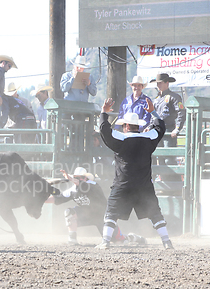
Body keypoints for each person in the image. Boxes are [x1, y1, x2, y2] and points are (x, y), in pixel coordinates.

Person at [96, 98, 174, 250]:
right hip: (144, 185)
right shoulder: (149, 138)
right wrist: (152, 112)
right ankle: (166, 242)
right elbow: (161, 127)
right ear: (138, 126)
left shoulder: (120, 138)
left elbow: (104, 129)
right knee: (154, 213)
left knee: (111, 211)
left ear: (125, 126)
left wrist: (104, 112)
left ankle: (105, 241)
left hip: (123, 183)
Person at [47, 167, 145, 246]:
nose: (78, 179)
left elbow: (84, 186)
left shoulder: (93, 185)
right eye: (76, 177)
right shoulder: (73, 190)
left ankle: (133, 237)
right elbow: (57, 198)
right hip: (87, 215)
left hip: (102, 217)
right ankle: (72, 240)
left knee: (119, 241)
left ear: (85, 178)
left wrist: (71, 178)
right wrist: (39, 200)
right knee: (69, 212)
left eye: (80, 177)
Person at [147, 73, 186, 170]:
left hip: (168, 130)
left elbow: (181, 112)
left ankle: (173, 181)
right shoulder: (156, 99)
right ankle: (164, 181)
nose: (158, 85)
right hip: (157, 131)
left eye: (160, 83)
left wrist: (177, 128)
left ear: (167, 83)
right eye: (157, 83)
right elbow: (153, 116)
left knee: (169, 158)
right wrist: (150, 127)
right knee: (159, 158)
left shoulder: (174, 97)